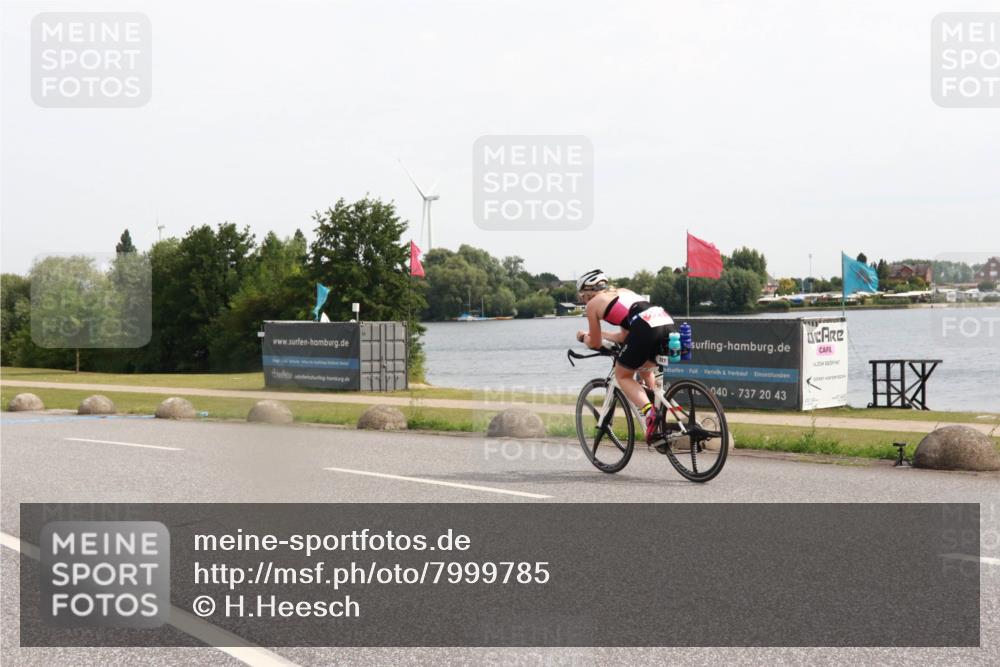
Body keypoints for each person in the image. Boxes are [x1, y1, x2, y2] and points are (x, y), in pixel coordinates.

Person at [574, 269, 674, 442]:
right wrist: (605, 334)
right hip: (665, 322)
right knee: (645, 370)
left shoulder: (593, 304)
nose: (583, 301)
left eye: (582, 296)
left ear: (588, 293)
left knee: (623, 375)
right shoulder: (623, 292)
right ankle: (658, 421)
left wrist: (583, 337)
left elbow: (595, 343)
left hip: (645, 327)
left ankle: (651, 414)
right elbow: (625, 337)